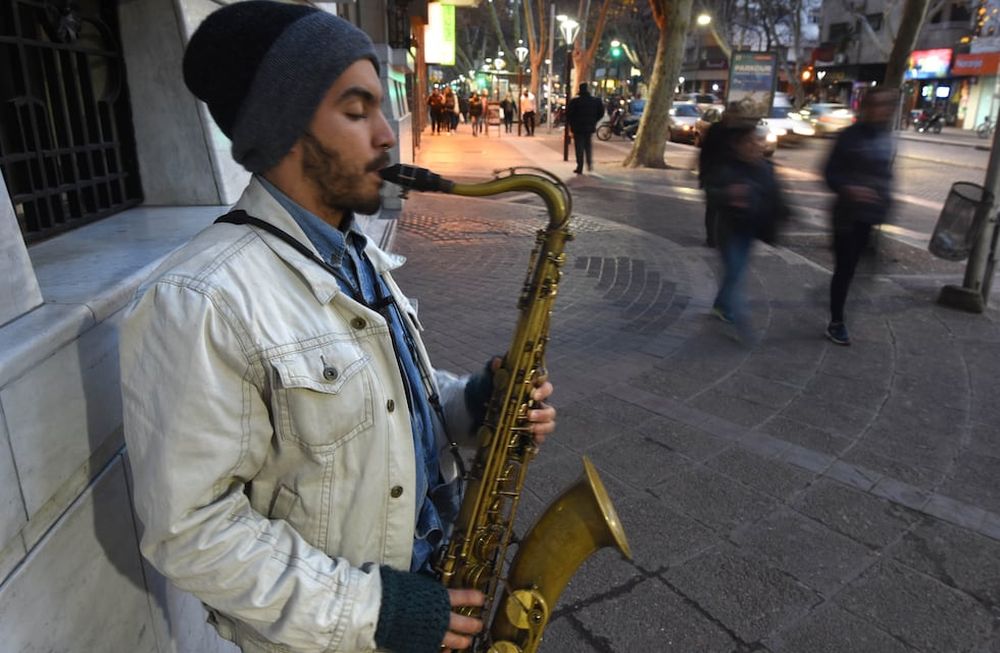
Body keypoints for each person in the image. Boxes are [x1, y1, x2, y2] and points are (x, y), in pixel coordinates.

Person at [118, 4, 557, 653]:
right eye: (357, 111)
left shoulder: (354, 252)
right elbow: (190, 532)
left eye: (382, 108)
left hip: (434, 592)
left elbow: (381, 400)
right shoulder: (200, 300)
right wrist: (375, 611)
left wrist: (472, 402)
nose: (387, 134)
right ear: (285, 128)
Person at [823, 87, 897, 346]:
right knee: (844, 269)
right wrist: (849, 188)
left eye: (887, 106)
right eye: (878, 105)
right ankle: (836, 321)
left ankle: (834, 300)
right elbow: (829, 173)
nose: (883, 110)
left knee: (858, 269)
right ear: (866, 107)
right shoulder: (848, 137)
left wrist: (885, 203)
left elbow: (886, 176)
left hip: (871, 216)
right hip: (846, 215)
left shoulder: (886, 138)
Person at [709, 124, 789, 343]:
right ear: (737, 146)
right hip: (729, 229)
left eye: (757, 141)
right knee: (735, 273)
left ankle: (720, 304)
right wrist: (728, 194)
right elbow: (711, 192)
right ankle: (742, 324)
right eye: (749, 142)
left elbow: (776, 196)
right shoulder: (727, 168)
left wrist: (785, 214)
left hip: (751, 230)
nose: (755, 146)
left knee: (735, 271)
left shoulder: (766, 168)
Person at [565, 82, 605, 174]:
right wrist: (594, 120)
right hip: (589, 127)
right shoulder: (595, 101)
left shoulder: (575, 101)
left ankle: (580, 166)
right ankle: (589, 164)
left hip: (578, 128)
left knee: (579, 147)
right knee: (588, 146)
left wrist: (572, 124)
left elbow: (568, 114)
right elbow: (601, 113)